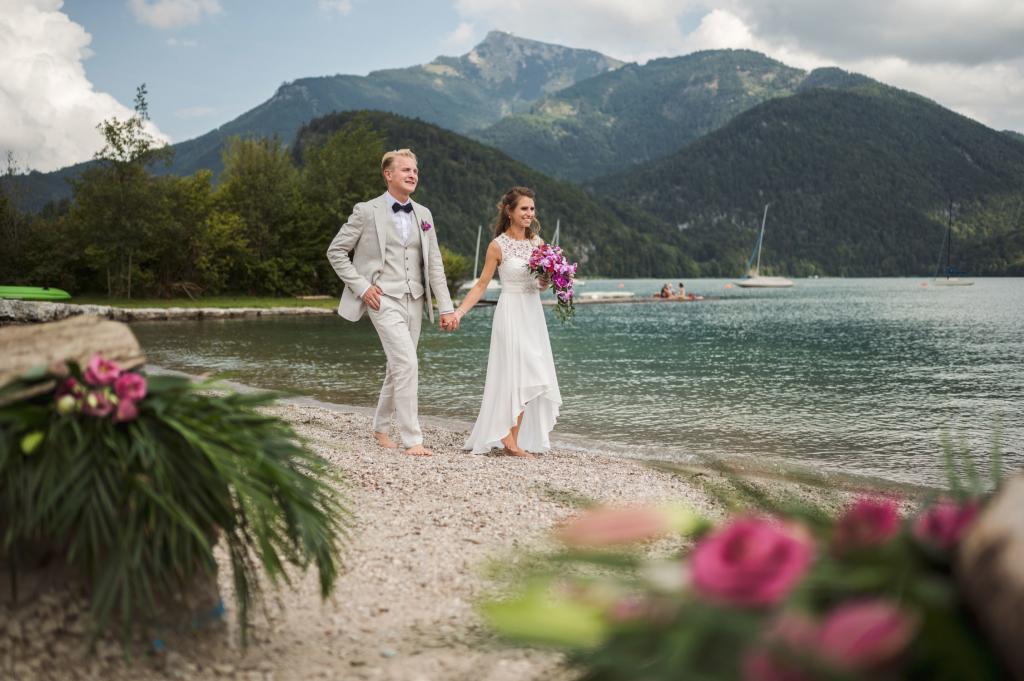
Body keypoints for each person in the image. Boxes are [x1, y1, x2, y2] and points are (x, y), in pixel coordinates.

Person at [326, 149, 458, 457]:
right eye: (406, 170)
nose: (413, 175)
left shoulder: (424, 215)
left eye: (415, 170)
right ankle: (414, 439)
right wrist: (361, 286)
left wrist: (447, 306)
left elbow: (434, 263)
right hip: (382, 298)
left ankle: (380, 428)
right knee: (407, 363)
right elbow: (336, 251)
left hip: (415, 300)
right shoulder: (366, 211)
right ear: (388, 174)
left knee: (397, 366)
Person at [456, 187, 562, 459]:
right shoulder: (497, 245)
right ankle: (510, 442)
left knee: (532, 373)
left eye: (532, 209)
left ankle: (510, 437)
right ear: (509, 211)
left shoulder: (538, 244)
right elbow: (481, 285)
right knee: (515, 374)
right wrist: (458, 313)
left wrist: (546, 281)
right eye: (524, 208)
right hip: (511, 311)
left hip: (532, 313)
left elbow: (540, 285)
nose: (529, 214)